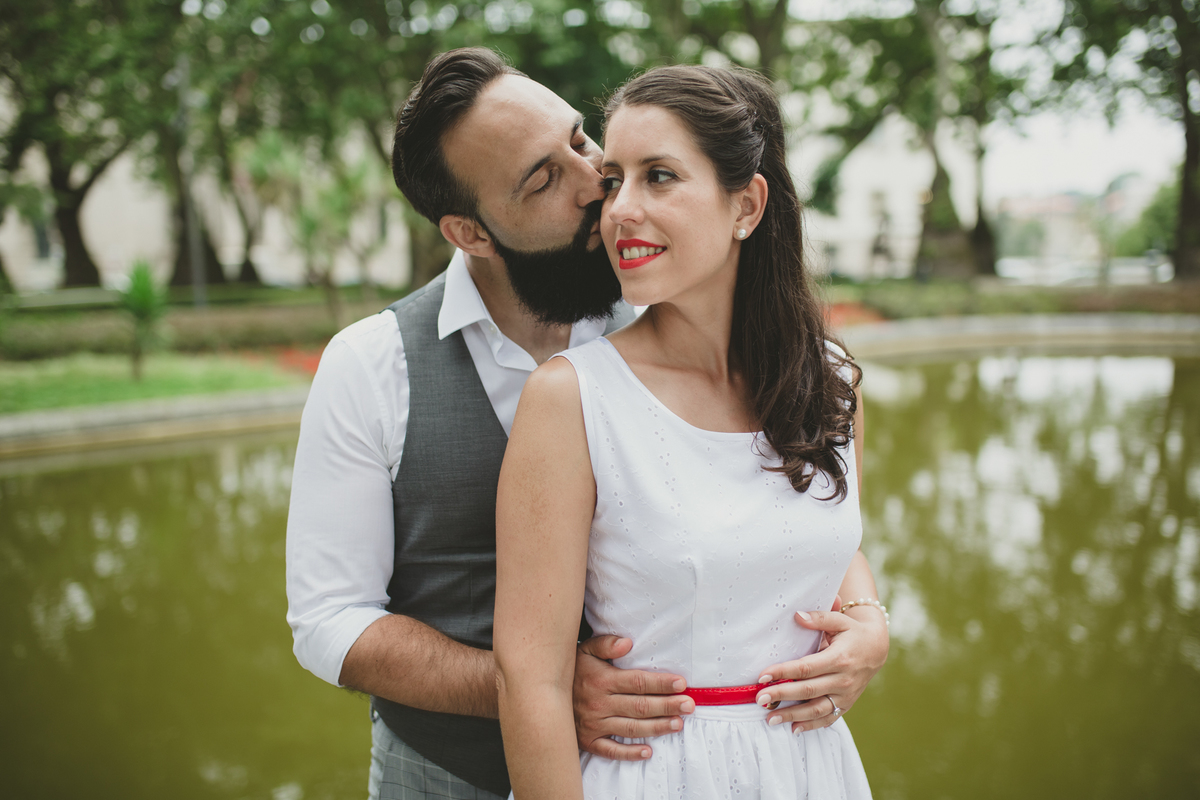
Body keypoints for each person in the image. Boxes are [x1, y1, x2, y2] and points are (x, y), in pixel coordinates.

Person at [286, 48, 887, 800]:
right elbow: (328, 619)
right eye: (543, 178)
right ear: (471, 233)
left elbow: (784, 509)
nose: (597, 188)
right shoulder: (373, 365)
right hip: (449, 775)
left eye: (579, 142)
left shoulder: (673, 287)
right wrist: (529, 683)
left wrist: (861, 614)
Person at [494, 65, 884, 799]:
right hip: (648, 776)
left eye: (660, 177)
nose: (620, 210)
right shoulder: (572, 399)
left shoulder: (831, 384)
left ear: (747, 205)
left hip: (811, 771)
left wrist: (868, 620)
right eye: (614, 180)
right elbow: (530, 680)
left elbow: (831, 537)